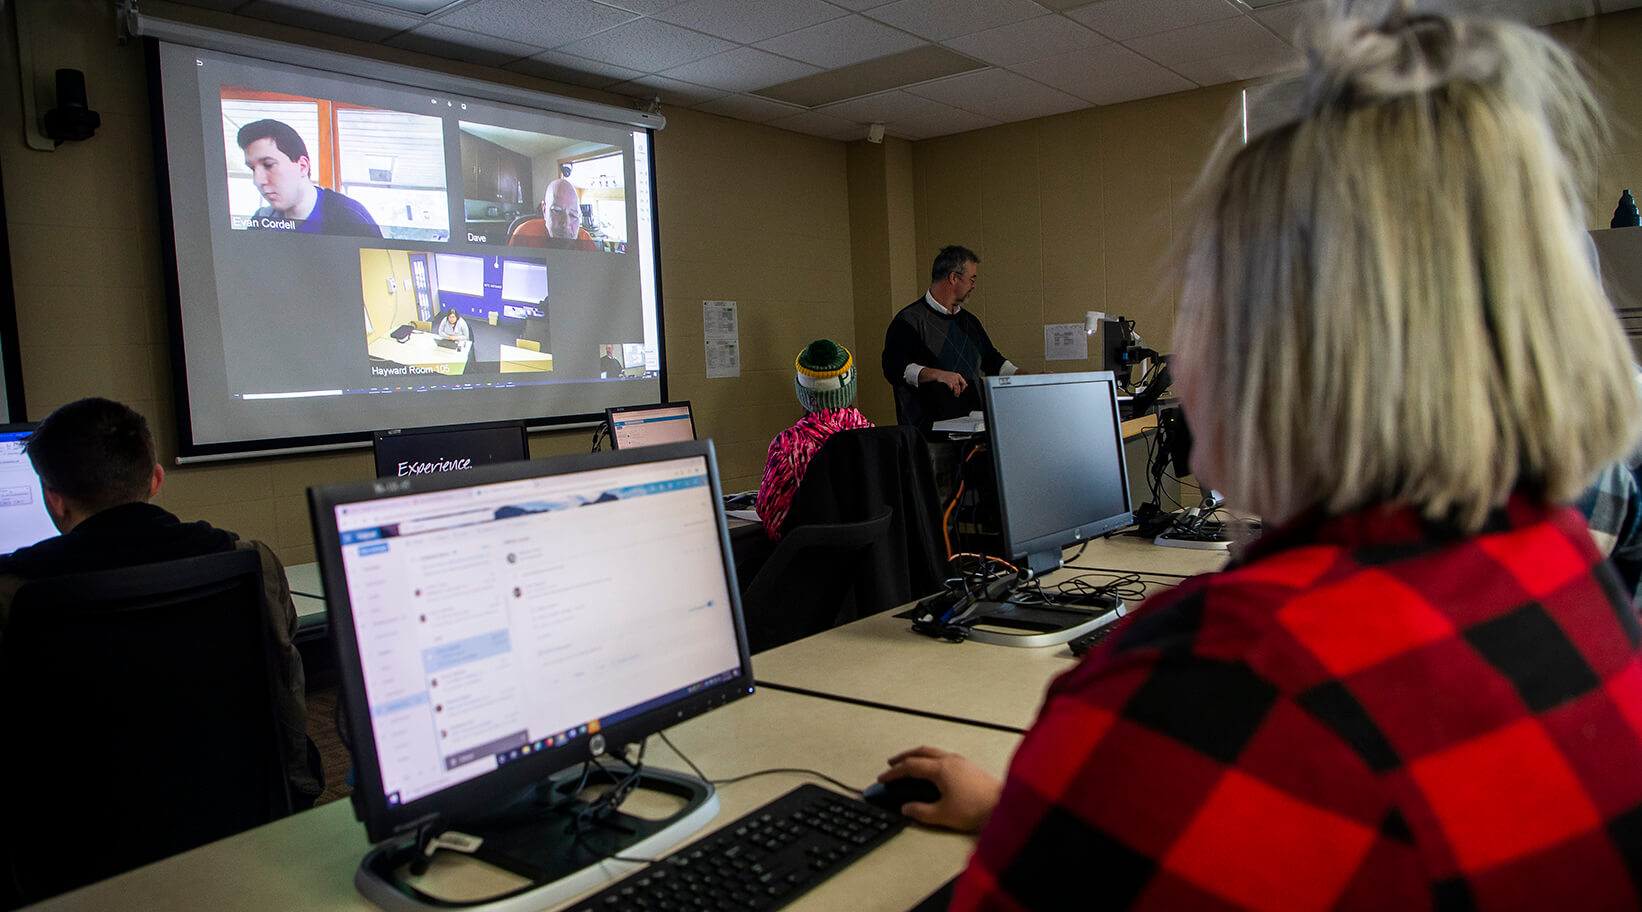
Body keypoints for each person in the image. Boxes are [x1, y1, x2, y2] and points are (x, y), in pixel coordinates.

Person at [879, 9, 1642, 909]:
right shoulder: (1567, 577)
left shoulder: (1202, 687)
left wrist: (1067, 803)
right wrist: (1042, 809)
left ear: (1277, 347)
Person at [0, 398, 323, 806]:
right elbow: (285, 679)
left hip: (79, 840)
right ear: (155, 480)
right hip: (240, 807)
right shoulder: (249, 560)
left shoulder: (15, 593)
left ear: (55, 500)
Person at [881, 245, 1017, 430]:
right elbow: (894, 367)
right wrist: (937, 374)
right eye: (972, 279)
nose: (974, 286)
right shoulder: (908, 320)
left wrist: (1028, 377)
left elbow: (992, 361)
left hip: (974, 431)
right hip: (929, 436)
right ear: (953, 278)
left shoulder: (970, 322)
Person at [756, 340, 874, 540]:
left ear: (803, 394)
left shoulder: (788, 446)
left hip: (815, 562)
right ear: (850, 386)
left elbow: (773, 522)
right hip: (872, 563)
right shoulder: (873, 435)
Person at [236, 119, 382, 238]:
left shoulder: (351, 217)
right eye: (252, 169)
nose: (257, 180)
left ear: (302, 166)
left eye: (268, 165)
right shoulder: (261, 221)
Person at [508, 178, 597, 251]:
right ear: (544, 210)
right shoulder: (524, 235)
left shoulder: (585, 240)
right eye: (557, 211)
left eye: (573, 215)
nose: (566, 224)